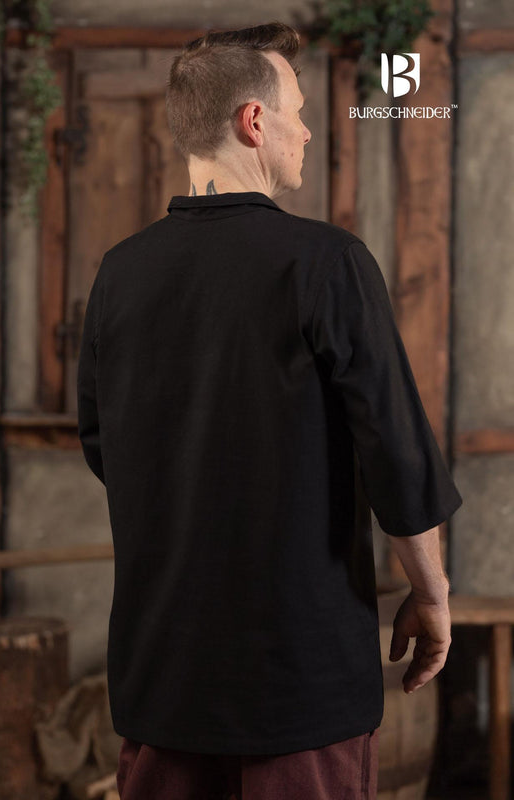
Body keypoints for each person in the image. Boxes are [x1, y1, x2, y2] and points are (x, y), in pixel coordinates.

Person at [77, 21, 463, 800]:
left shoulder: (119, 274)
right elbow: (397, 456)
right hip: (298, 688)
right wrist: (430, 595)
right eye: (298, 111)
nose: (307, 130)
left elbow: (102, 447)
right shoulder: (327, 263)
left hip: (163, 682)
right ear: (253, 121)